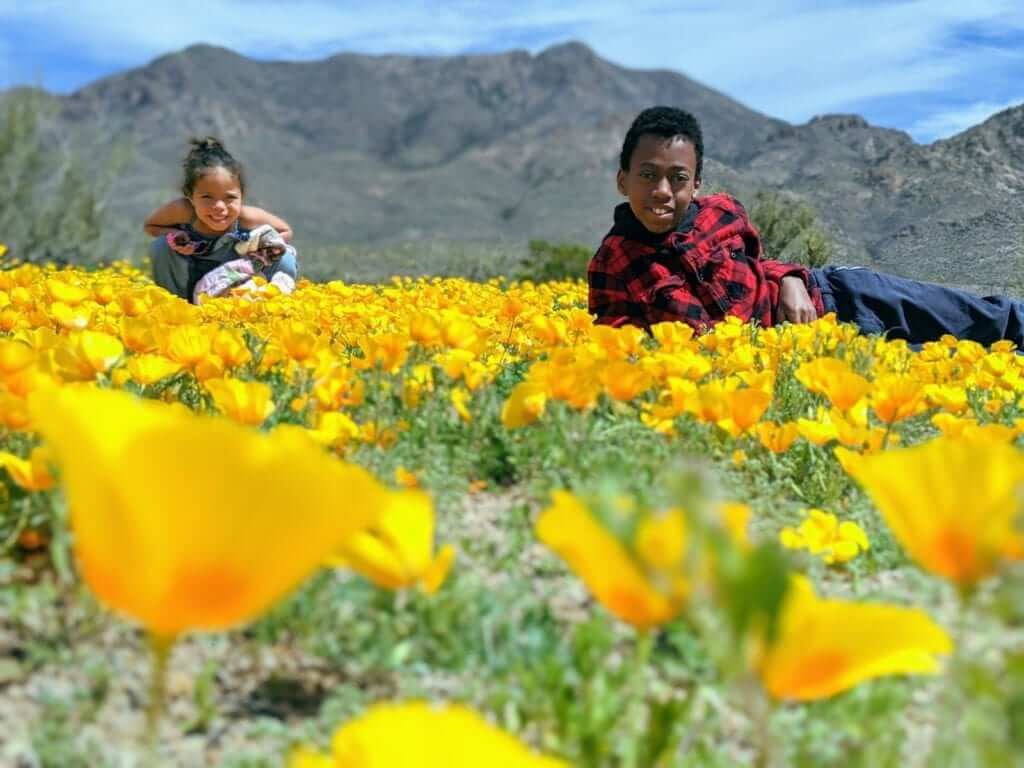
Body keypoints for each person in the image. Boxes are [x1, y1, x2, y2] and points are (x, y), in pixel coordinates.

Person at [589, 106, 1024, 347]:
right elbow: (624, 349)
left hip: (839, 294)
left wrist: (792, 280)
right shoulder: (615, 264)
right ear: (622, 179)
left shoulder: (720, 213)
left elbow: (759, 266)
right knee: (956, 359)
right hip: (806, 349)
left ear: (697, 183)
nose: (663, 190)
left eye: (678, 178)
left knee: (985, 319)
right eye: (648, 175)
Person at [144, 137, 299, 302]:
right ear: (190, 196)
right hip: (192, 275)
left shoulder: (247, 217)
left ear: (241, 196)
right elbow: (151, 226)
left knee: (285, 256)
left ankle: (272, 302)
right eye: (207, 197)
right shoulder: (183, 211)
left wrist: (258, 249)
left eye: (230, 197)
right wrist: (175, 235)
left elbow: (285, 231)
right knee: (161, 246)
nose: (219, 206)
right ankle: (174, 304)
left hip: (237, 277)